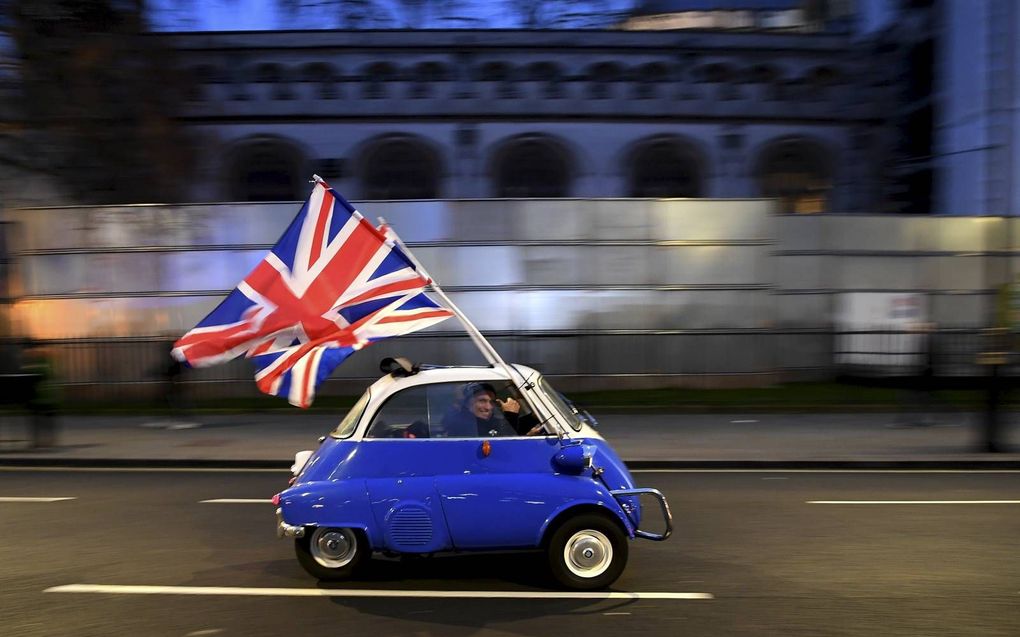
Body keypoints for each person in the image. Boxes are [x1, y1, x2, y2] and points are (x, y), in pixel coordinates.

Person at [442, 382, 541, 437]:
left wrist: (532, 418)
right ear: (468, 404)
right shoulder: (462, 424)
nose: (489, 407)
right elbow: (503, 446)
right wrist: (511, 415)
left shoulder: (485, 421)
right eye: (482, 401)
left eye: (492, 402)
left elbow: (500, 427)